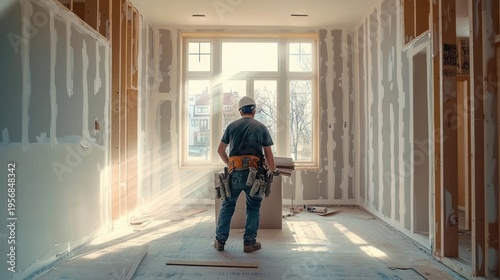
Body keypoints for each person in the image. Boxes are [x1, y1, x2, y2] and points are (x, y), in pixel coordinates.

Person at [214, 96, 280, 253]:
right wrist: (274, 170)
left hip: (234, 175)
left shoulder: (231, 127)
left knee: (228, 206)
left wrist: (230, 164)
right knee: (253, 207)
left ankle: (220, 241)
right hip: (254, 175)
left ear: (240, 111)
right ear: (254, 111)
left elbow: (220, 150)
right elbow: (269, 156)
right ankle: (249, 243)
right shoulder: (261, 127)